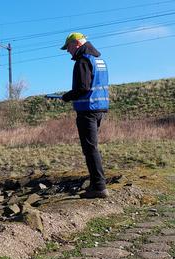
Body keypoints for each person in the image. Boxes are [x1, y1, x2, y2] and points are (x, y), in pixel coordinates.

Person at [60, 32, 110, 198]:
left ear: (76, 44)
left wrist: (67, 96)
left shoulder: (83, 61)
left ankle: (99, 187)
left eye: (68, 47)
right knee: (92, 148)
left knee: (90, 149)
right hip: (99, 109)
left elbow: (83, 88)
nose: (68, 51)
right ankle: (97, 184)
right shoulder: (99, 60)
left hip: (87, 110)